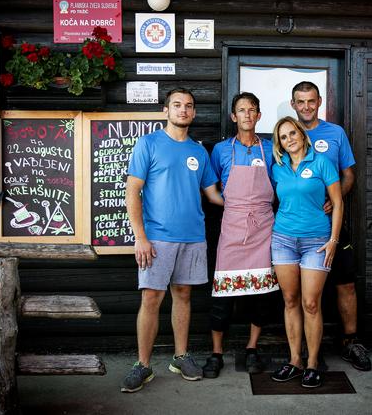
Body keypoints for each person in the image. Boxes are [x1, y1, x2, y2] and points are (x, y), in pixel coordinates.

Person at [121, 88, 224, 393]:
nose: (183, 110)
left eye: (188, 106)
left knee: (183, 296)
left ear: (193, 113)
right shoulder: (148, 144)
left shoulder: (198, 152)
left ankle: (181, 357)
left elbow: (213, 195)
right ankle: (143, 365)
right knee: (151, 299)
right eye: (177, 105)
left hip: (193, 237)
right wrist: (140, 237)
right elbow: (132, 192)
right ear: (165, 110)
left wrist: (247, 201)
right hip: (157, 238)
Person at [290, 81, 371, 371]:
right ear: (293, 104)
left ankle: (350, 341)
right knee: (300, 293)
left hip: (333, 225)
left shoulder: (334, 133)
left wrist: (335, 199)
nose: (306, 107)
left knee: (345, 283)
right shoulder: (287, 135)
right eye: (301, 102)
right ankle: (304, 349)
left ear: (319, 101)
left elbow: (349, 175)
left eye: (311, 101)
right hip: (298, 229)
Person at [202, 92, 280, 379]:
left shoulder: (271, 149)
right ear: (233, 116)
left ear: (259, 116)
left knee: (262, 294)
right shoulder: (221, 150)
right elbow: (211, 191)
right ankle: (216, 353)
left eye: (252, 110)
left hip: (263, 227)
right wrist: (236, 206)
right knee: (222, 297)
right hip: (232, 226)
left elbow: (280, 187)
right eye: (242, 110)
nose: (247, 115)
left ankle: (251, 348)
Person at [269, 116, 343, 389]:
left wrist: (334, 240)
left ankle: (312, 363)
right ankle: (294, 360)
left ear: (301, 133)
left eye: (292, 133)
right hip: (283, 240)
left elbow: (337, 202)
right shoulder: (278, 167)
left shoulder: (321, 162)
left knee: (310, 303)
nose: (289, 140)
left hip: (316, 242)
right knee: (290, 300)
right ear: (280, 144)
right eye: (283, 137)